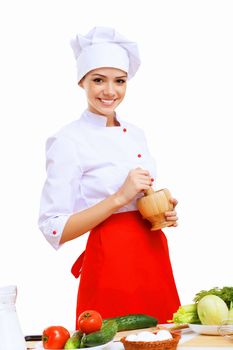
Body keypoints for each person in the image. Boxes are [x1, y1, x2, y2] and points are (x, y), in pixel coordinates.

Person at [38, 26, 180, 327]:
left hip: (153, 255)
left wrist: (160, 210)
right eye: (98, 80)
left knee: (165, 338)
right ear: (82, 81)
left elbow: (139, 197)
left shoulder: (137, 133)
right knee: (109, 341)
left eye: (119, 81)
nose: (110, 91)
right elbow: (53, 227)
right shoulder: (68, 140)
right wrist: (119, 197)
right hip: (112, 262)